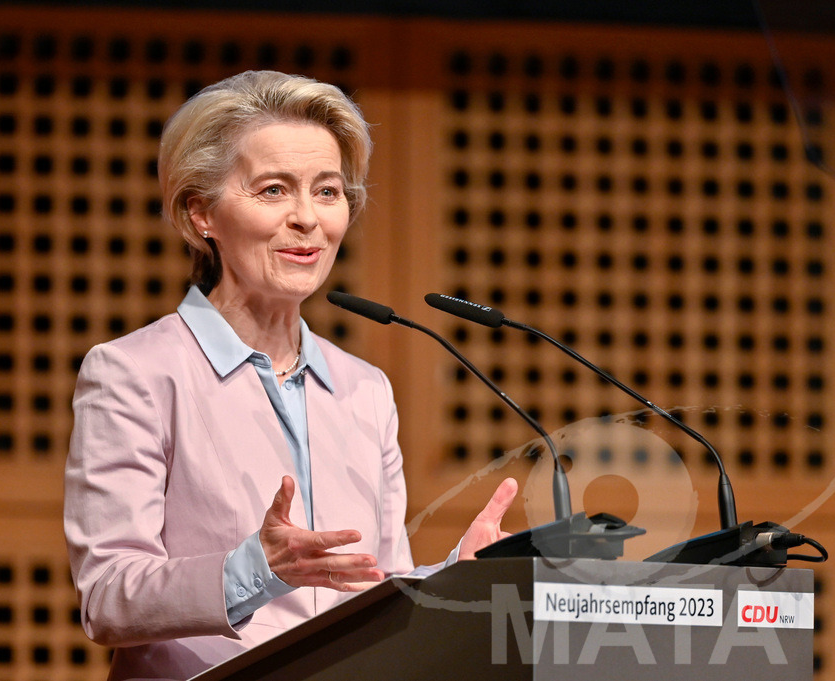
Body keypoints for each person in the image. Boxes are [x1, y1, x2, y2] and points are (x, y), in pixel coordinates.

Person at [64, 70, 518, 680]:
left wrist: (457, 577)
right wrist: (257, 568)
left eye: (328, 192)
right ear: (201, 212)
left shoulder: (365, 390)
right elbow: (108, 596)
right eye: (274, 190)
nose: (308, 219)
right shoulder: (135, 373)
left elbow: (377, 587)